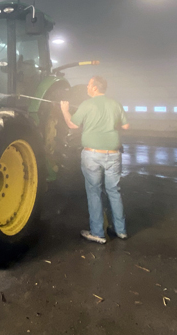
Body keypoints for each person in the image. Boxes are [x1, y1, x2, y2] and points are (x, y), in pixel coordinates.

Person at [60, 76, 129, 244]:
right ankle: (121, 231)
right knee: (114, 191)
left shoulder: (87, 104)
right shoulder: (115, 104)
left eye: (89, 85)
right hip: (113, 154)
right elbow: (126, 126)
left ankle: (97, 233)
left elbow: (72, 125)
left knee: (94, 192)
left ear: (96, 88)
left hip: (92, 155)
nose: (87, 88)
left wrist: (64, 110)